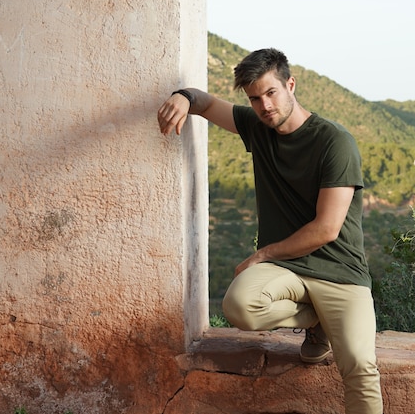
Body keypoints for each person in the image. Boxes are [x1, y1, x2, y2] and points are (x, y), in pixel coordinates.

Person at [157, 48, 383, 414]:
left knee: (359, 366)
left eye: (271, 93)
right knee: (239, 305)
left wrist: (262, 254)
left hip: (339, 273)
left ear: (290, 84)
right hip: (288, 271)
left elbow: (326, 229)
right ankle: (316, 319)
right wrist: (183, 98)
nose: (264, 106)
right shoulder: (257, 127)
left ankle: (323, 322)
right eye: (254, 98)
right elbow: (206, 102)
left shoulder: (335, 143)